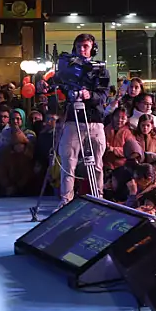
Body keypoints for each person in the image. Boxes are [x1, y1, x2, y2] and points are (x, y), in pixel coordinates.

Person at [55, 33, 110, 203]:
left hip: (94, 120)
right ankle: (66, 202)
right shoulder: (68, 69)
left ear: (92, 48)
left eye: (85, 46)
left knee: (96, 165)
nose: (82, 50)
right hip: (72, 120)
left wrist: (89, 95)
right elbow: (59, 86)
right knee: (68, 163)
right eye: (79, 46)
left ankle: (97, 201)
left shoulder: (101, 70)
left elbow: (103, 97)